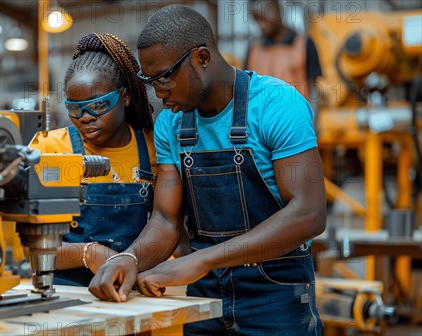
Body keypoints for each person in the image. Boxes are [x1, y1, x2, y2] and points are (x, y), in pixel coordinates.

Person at [89, 5, 326, 336]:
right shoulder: (171, 123)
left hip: (275, 295)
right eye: (150, 82)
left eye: (165, 78)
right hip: (205, 298)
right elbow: (165, 221)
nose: (159, 93)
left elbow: (308, 214)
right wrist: (128, 258)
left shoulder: (277, 105)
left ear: (201, 57)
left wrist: (202, 260)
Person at [29, 33, 157, 287]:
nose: (85, 117)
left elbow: (168, 226)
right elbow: (34, 247)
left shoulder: (153, 146)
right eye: (75, 109)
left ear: (125, 97)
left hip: (136, 288)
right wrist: (89, 253)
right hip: (69, 295)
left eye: (98, 105)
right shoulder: (51, 147)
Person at [245, 0, 322, 103]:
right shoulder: (253, 50)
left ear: (278, 10)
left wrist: (311, 118)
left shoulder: (304, 45)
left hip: (295, 117)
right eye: (257, 20)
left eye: (264, 18)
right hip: (262, 118)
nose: (261, 25)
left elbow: (314, 91)